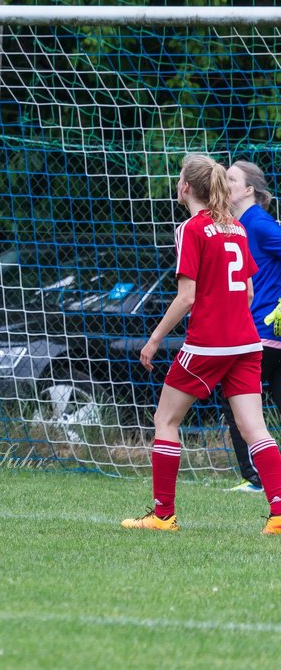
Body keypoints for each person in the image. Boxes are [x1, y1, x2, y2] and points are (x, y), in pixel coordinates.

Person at [124, 153, 281, 534]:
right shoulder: (236, 228)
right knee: (255, 428)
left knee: (165, 419)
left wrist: (155, 339)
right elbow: (245, 291)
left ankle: (163, 516)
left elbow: (187, 297)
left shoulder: (191, 229)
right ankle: (278, 514)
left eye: (179, 178)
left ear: (186, 187)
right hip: (246, 342)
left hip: (209, 344)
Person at [221, 160, 281, 492]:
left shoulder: (258, 224)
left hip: (262, 334)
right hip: (263, 334)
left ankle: (256, 479)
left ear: (248, 190)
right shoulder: (238, 225)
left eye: (231, 178)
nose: (224, 182)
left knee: (238, 403)